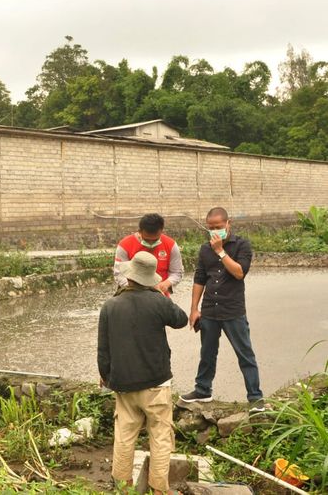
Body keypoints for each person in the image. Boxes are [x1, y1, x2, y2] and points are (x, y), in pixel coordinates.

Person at [98, 251, 188, 495]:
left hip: (124, 384)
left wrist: (106, 376)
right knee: (160, 436)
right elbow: (181, 320)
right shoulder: (158, 301)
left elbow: (103, 349)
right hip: (156, 383)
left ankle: (122, 487)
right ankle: (159, 489)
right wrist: (160, 294)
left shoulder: (110, 305)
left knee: (125, 436)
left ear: (129, 276)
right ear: (150, 278)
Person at [180, 207, 264, 411]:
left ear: (228, 224)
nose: (214, 231)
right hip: (209, 309)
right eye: (210, 228)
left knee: (245, 353)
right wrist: (194, 309)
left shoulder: (242, 245)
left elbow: (239, 273)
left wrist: (220, 251)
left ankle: (255, 397)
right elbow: (200, 279)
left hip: (233, 310)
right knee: (207, 353)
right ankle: (203, 390)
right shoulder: (204, 249)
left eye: (218, 227)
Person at [114, 213, 183, 296]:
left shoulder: (171, 245)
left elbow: (176, 273)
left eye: (155, 240)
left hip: (160, 296)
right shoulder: (125, 245)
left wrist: (166, 283)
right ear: (139, 232)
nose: (151, 243)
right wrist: (140, 289)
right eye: (147, 240)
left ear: (161, 231)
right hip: (132, 296)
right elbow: (119, 274)